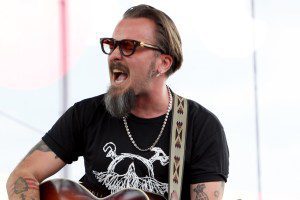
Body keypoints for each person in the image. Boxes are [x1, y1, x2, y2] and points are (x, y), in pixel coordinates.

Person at [6, 4, 229, 200]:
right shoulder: (87, 114)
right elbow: (22, 175)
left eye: (129, 46)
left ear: (163, 63)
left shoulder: (201, 127)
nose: (114, 55)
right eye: (111, 45)